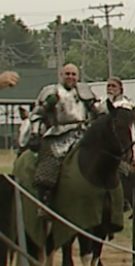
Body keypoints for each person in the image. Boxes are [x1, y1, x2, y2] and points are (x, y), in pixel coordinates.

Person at [30, 64, 101, 200]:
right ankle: (44, 198)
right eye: (67, 74)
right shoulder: (50, 91)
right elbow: (36, 115)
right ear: (61, 75)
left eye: (73, 74)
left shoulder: (84, 91)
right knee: (49, 164)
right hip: (58, 134)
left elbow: (99, 110)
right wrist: (35, 134)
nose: (70, 77)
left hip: (83, 133)